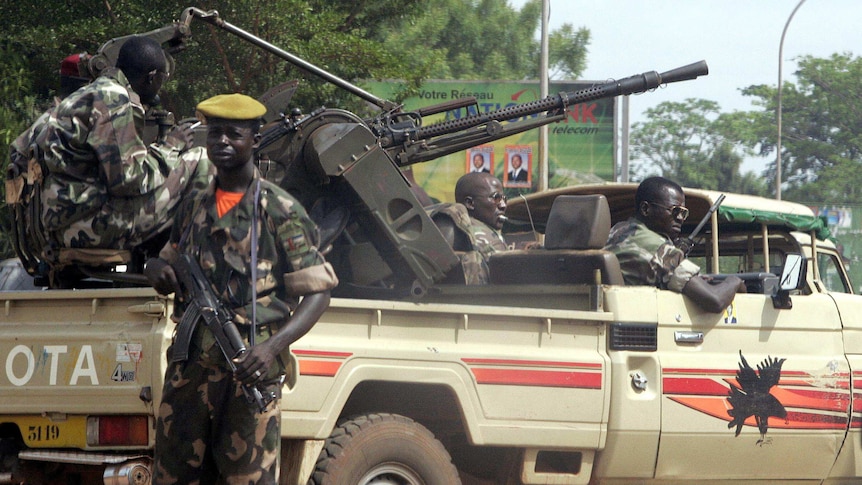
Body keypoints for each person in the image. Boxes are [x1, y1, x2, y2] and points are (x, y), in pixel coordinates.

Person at [144, 93, 338, 483]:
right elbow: (169, 257)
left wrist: (272, 348)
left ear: (255, 138)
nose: (222, 142)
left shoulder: (279, 208)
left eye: (233, 134)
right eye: (215, 134)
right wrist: (156, 268)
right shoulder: (195, 203)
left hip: (249, 367)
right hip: (189, 371)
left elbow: (318, 292)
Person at [34, 35, 204, 260]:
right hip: (91, 227)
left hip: (65, 223)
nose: (162, 86)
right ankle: (190, 268)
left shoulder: (88, 94)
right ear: (152, 77)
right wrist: (171, 146)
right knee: (200, 160)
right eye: (163, 78)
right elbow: (128, 181)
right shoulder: (114, 100)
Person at [604, 176, 744, 313]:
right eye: (675, 211)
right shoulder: (659, 249)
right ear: (646, 209)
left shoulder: (616, 232)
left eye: (683, 213)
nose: (680, 218)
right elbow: (715, 300)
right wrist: (735, 281)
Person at [430, 171, 509, 284]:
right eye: (496, 198)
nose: (503, 205)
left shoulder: (449, 226)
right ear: (470, 203)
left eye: (504, 199)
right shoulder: (482, 237)